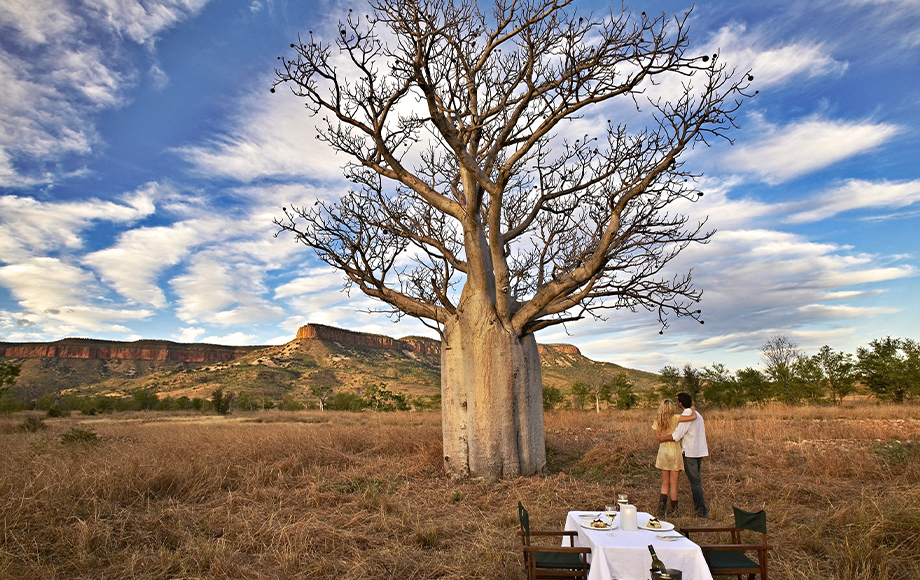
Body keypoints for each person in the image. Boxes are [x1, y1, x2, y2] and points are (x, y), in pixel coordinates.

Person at [658, 392, 709, 517]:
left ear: (680, 404)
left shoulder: (686, 416)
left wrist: (663, 439)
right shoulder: (697, 414)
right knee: (695, 480)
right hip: (699, 451)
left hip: (690, 452)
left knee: (694, 481)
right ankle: (692, 508)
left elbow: (677, 435)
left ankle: (701, 510)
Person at [652, 399, 696, 518]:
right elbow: (692, 418)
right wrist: (692, 408)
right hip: (675, 451)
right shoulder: (676, 418)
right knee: (674, 484)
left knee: (665, 482)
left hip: (663, 452)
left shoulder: (658, 420)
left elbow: (659, 437)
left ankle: (661, 509)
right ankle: (674, 510)